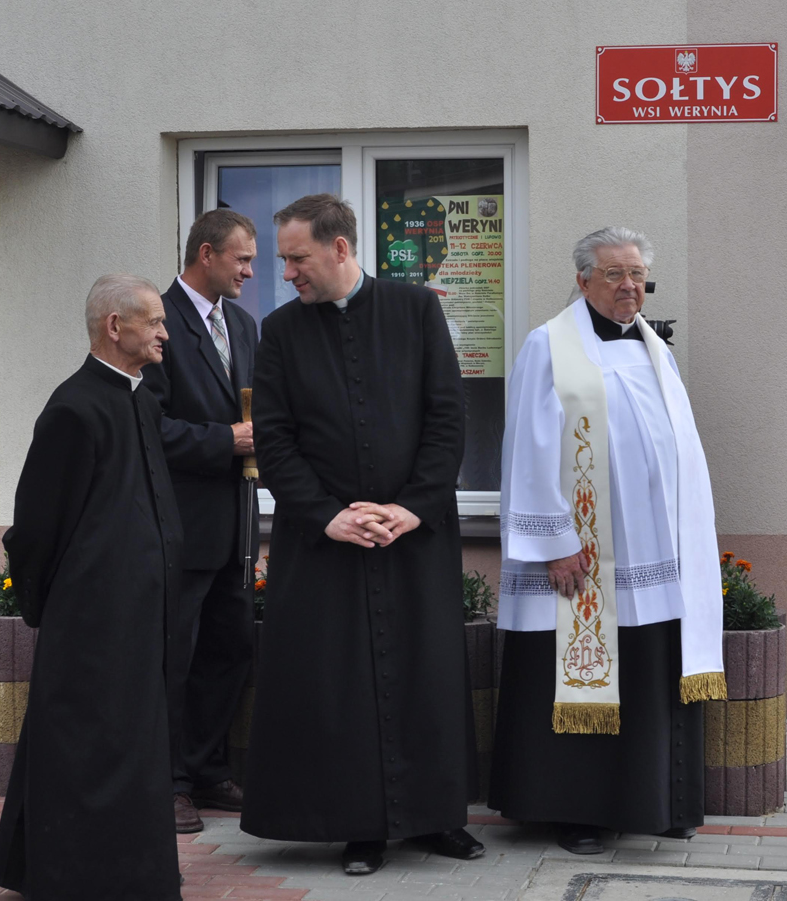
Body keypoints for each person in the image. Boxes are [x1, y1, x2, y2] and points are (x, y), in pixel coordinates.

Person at [240, 194, 481, 876]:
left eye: (296, 258)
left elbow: (446, 415)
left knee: (425, 673)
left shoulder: (416, 309)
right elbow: (276, 440)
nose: (285, 272)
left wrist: (414, 506)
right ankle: (358, 826)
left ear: (340, 249)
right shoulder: (281, 331)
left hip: (415, 537)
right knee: (335, 681)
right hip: (323, 545)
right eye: (283, 259)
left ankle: (438, 817)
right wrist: (327, 515)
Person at [492, 227, 726, 854]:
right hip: (583, 559)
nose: (630, 287)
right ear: (583, 280)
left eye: (638, 275)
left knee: (651, 670)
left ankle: (659, 802)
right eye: (615, 275)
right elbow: (527, 451)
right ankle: (581, 811)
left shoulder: (655, 348)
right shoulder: (549, 346)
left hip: (657, 555)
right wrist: (555, 541)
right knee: (586, 672)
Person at [0, 274, 182, 900]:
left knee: (135, 740)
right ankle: (73, 875)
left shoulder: (143, 399)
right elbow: (37, 524)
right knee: (82, 743)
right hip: (91, 616)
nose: (163, 331)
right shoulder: (73, 407)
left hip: (141, 608)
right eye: (152, 321)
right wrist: (49, 606)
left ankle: (131, 870)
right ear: (114, 326)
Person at [142, 208, 261, 833]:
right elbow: (149, 429)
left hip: (237, 529)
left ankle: (209, 771)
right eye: (242, 259)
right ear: (207, 254)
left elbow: (256, 415)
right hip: (180, 529)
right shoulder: (155, 321)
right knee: (176, 657)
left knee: (231, 648)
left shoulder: (242, 325)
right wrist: (228, 441)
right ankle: (169, 783)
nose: (251, 271)